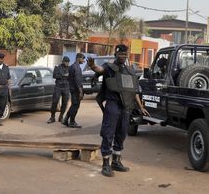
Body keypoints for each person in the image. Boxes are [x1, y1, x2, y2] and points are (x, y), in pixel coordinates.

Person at [87, 44, 149, 177]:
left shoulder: (130, 70)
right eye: (121, 54)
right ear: (116, 54)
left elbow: (135, 91)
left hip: (126, 107)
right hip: (113, 105)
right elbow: (99, 69)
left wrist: (141, 106)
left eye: (125, 54)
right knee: (108, 133)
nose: (123, 56)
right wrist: (92, 66)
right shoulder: (109, 67)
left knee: (121, 134)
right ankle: (105, 164)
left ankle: (116, 161)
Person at [62, 53, 85, 128]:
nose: (83, 60)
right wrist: (80, 91)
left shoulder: (72, 66)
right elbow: (77, 80)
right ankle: (72, 122)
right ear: (78, 58)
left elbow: (69, 78)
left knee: (73, 105)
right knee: (75, 105)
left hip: (72, 88)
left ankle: (65, 120)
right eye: (83, 58)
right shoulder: (76, 67)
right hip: (76, 90)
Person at [47, 56, 70, 124]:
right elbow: (54, 75)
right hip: (58, 86)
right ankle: (52, 117)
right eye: (66, 62)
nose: (67, 63)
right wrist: (64, 75)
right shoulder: (57, 67)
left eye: (68, 62)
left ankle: (61, 117)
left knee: (64, 103)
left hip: (66, 87)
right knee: (55, 102)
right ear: (63, 61)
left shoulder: (70, 68)